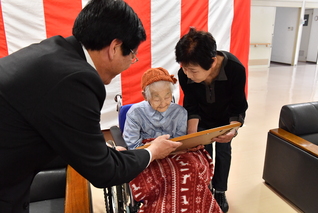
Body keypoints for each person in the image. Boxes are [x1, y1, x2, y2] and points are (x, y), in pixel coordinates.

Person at [0, 1, 182, 212]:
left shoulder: (55, 52)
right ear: (114, 48)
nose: (133, 60)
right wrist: (152, 151)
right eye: (132, 54)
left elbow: (66, 134)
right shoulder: (77, 79)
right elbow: (104, 172)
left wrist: (101, 151)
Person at [123, 67, 222, 213]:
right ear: (146, 96)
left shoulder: (180, 112)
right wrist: (155, 148)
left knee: (191, 170)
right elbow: (133, 146)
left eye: (167, 96)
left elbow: (180, 141)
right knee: (167, 176)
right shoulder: (135, 114)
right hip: (148, 155)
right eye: (157, 97)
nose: (163, 102)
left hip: (175, 153)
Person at [175, 28, 248, 213]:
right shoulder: (184, 74)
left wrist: (233, 130)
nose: (187, 74)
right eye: (184, 68)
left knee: (223, 152)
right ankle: (205, 187)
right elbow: (191, 104)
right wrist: (192, 135)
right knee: (202, 154)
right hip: (202, 120)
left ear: (213, 62)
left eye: (193, 70)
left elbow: (238, 106)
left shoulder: (235, 69)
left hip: (225, 120)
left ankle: (220, 190)